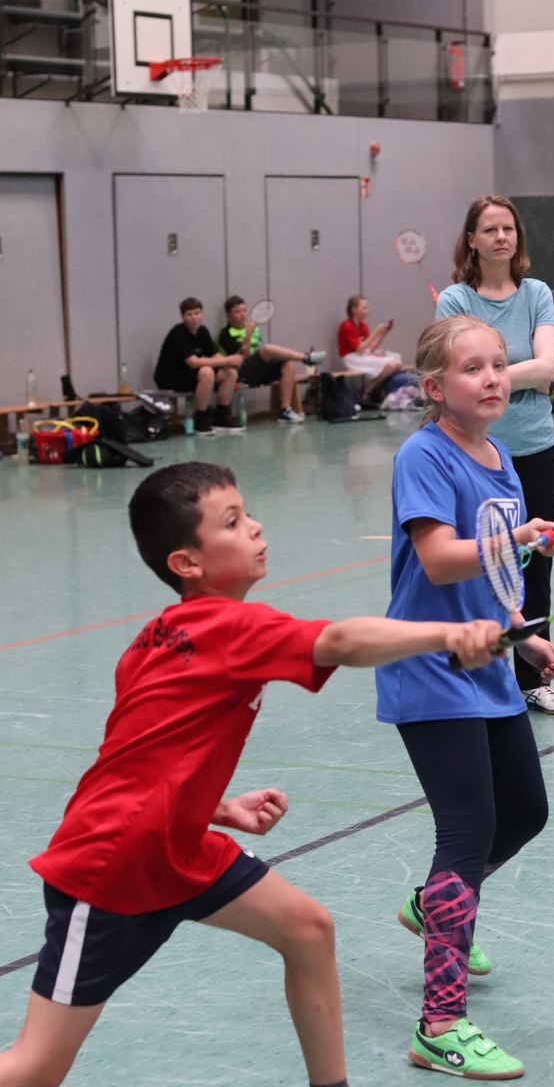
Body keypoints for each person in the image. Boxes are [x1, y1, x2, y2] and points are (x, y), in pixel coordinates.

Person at [0, 460, 504, 1087]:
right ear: (187, 562)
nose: (256, 527)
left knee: (308, 929)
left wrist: (218, 808)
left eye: (248, 514)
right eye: (233, 522)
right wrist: (450, 634)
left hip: (178, 845)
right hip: (112, 865)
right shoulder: (232, 625)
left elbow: (142, 757)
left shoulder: (153, 638)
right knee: (34, 1068)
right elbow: (341, 643)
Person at [378, 314, 554, 1080]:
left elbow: (494, 579)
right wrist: (520, 537)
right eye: (472, 368)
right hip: (429, 668)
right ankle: (440, 1025)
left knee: (525, 813)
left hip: (487, 665)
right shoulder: (423, 456)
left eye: (499, 364)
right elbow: (440, 558)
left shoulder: (500, 457)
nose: (493, 378)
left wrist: (525, 637)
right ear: (434, 387)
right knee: (467, 830)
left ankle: (432, 904)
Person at [436, 195, 554, 715]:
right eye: (490, 229)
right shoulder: (454, 300)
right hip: (473, 453)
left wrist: (486, 376)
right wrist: (517, 376)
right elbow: (454, 373)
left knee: (534, 564)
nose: (501, 237)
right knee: (478, 559)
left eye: (508, 229)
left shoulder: (536, 293)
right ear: (471, 240)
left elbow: (548, 367)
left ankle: (532, 679)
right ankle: (470, 672)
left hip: (535, 447)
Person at [218, 295, 326, 425]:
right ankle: (306, 357)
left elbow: (258, 353)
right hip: (241, 373)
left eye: (244, 310)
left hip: (258, 370)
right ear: (229, 315)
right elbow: (242, 358)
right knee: (266, 349)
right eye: (237, 312)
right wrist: (248, 335)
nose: (242, 314)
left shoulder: (255, 329)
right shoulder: (226, 333)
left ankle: (285, 410)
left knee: (288, 362)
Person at [154, 297, 242, 434]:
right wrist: (227, 360)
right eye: (189, 314)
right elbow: (193, 362)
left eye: (197, 313)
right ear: (183, 317)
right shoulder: (178, 333)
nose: (194, 318)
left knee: (230, 373)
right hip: (170, 376)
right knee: (207, 372)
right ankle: (200, 419)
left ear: (202, 314)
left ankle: (221, 416)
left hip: (191, 375)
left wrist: (230, 362)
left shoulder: (203, 331)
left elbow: (215, 355)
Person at [337, 295, 403, 400]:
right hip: (351, 357)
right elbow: (359, 349)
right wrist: (376, 332)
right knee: (391, 364)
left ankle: (370, 390)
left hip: (363, 355)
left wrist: (383, 333)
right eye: (364, 308)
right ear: (354, 309)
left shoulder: (364, 325)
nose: (367, 311)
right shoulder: (346, 325)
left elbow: (370, 347)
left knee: (396, 363)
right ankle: (368, 390)